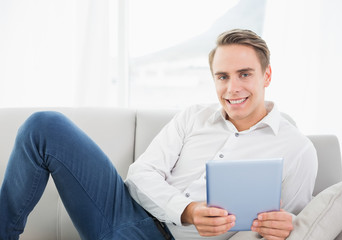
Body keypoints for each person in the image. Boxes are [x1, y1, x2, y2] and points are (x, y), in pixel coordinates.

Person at [0, 29, 317, 240]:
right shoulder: (194, 116)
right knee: (44, 125)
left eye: (244, 74)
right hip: (124, 210)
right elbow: (140, 175)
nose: (232, 88)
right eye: (222, 76)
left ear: (267, 75)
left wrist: (288, 226)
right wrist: (188, 211)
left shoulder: (296, 149)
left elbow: (292, 221)